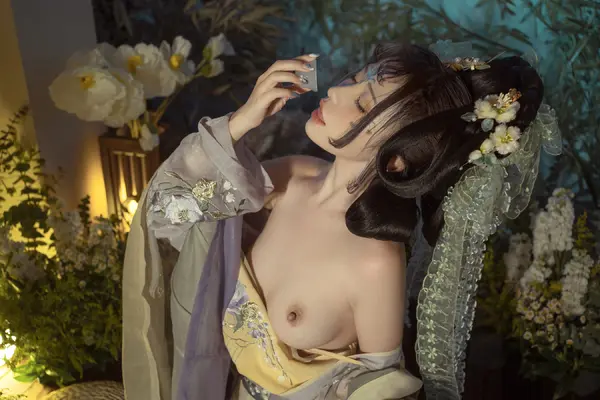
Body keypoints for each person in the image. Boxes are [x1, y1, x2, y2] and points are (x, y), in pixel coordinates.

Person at [122, 41, 560, 400]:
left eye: (363, 103)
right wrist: (239, 123)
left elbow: (376, 388)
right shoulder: (289, 178)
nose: (335, 92)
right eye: (354, 78)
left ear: (401, 158)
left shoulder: (375, 262)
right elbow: (169, 210)